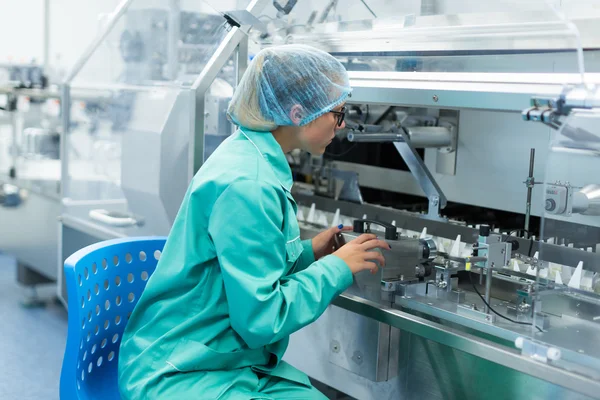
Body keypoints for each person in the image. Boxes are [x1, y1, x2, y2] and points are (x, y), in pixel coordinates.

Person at [118, 44, 390, 400]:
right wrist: (337, 268)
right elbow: (261, 319)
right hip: (179, 371)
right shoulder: (250, 185)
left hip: (218, 355)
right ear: (298, 113)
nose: (340, 126)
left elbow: (247, 267)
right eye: (337, 113)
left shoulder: (249, 153)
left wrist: (310, 253)